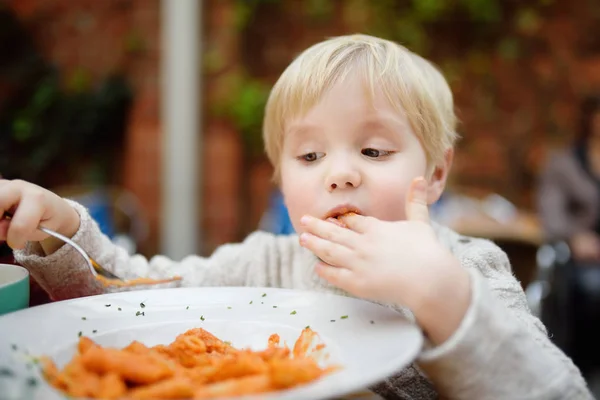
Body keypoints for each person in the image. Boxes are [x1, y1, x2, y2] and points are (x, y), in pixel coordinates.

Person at [0, 34, 592, 399]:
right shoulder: (266, 260)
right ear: (282, 181)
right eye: (309, 156)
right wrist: (58, 232)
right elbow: (132, 291)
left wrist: (444, 298)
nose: (339, 173)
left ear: (435, 173)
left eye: (374, 151)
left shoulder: (468, 267)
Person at [537, 94, 600, 379]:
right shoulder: (564, 162)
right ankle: (581, 372)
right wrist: (575, 238)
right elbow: (551, 212)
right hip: (584, 258)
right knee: (592, 290)